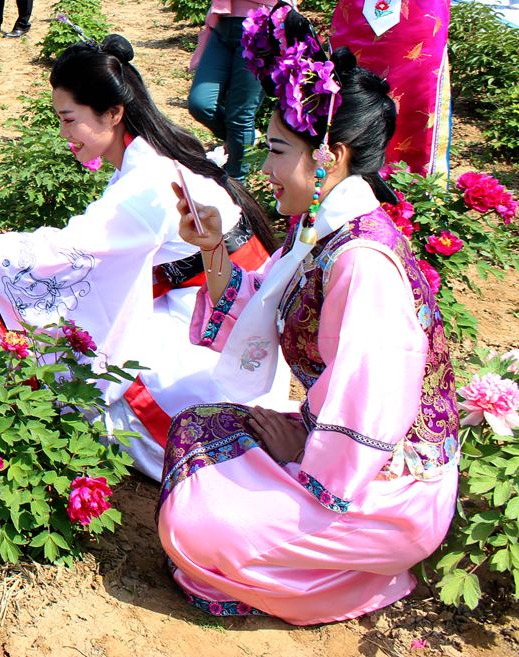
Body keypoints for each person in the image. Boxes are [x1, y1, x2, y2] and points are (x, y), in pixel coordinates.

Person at [158, 3, 458, 625]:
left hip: (382, 487)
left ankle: (353, 574)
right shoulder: (323, 228)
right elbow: (260, 312)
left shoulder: (362, 257)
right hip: (340, 451)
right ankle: (301, 560)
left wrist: (299, 440)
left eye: (276, 150)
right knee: (195, 428)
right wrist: (212, 245)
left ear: (332, 155)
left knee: (194, 523)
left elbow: (370, 401)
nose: (264, 169)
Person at [0, 33, 292, 480]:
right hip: (222, 310)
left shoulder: (146, 186)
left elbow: (64, 252)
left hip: (219, 333)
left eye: (69, 119)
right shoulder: (150, 156)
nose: (64, 134)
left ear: (114, 113)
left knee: (98, 408)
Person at [330, 0, 452, 175]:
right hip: (356, 15)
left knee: (418, 104)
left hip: (418, 18)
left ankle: (411, 194)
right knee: (348, 99)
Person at [186, 0, 275, 179]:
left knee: (240, 115)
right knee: (200, 103)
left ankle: (237, 184)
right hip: (224, 23)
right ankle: (245, 138)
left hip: (261, 25)